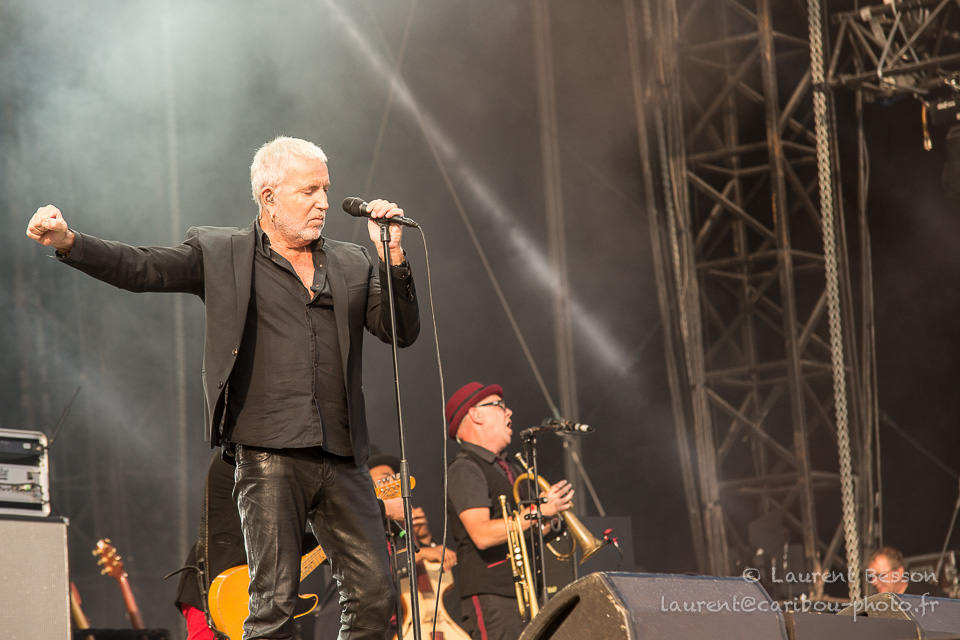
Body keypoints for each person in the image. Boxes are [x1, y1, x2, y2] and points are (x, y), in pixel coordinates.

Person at [26, 136, 421, 640]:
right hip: (269, 454)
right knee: (272, 607)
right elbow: (142, 268)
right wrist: (69, 242)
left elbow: (399, 330)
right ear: (269, 197)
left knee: (376, 596)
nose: (323, 202)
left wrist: (393, 256)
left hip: (343, 455)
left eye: (325, 189)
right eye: (309, 191)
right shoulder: (222, 252)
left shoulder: (352, 261)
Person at [445, 382, 573, 640]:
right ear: (476, 415)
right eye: (499, 405)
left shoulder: (511, 468)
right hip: (494, 597)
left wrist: (550, 517)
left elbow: (523, 528)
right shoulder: (465, 468)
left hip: (529, 591)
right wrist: (538, 511)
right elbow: (482, 534)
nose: (509, 411)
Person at [866, 546, 949, 597]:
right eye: (871, 577)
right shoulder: (875, 607)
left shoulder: (928, 596)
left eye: (880, 575)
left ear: (898, 573)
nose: (873, 582)